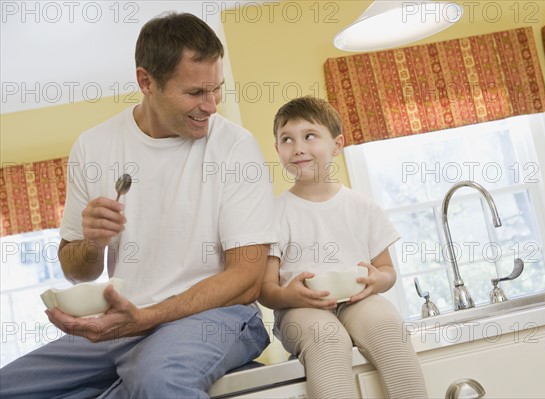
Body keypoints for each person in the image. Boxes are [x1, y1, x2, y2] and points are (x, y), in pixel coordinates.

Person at [0, 12, 276, 398]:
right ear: (146, 81)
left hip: (213, 316)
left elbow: (246, 277)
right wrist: (93, 243)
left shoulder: (235, 147)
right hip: (123, 322)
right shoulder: (93, 147)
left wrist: (147, 318)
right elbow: (75, 269)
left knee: (158, 379)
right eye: (196, 93)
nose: (211, 106)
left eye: (217, 89)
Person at [259, 96, 428, 399]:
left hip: (357, 299)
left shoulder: (362, 206)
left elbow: (387, 271)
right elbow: (266, 290)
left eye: (309, 136)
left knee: (389, 328)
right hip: (300, 308)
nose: (297, 147)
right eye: (287, 139)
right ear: (277, 150)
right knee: (328, 339)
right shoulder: (274, 213)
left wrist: (377, 280)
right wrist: (290, 295)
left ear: (337, 145)